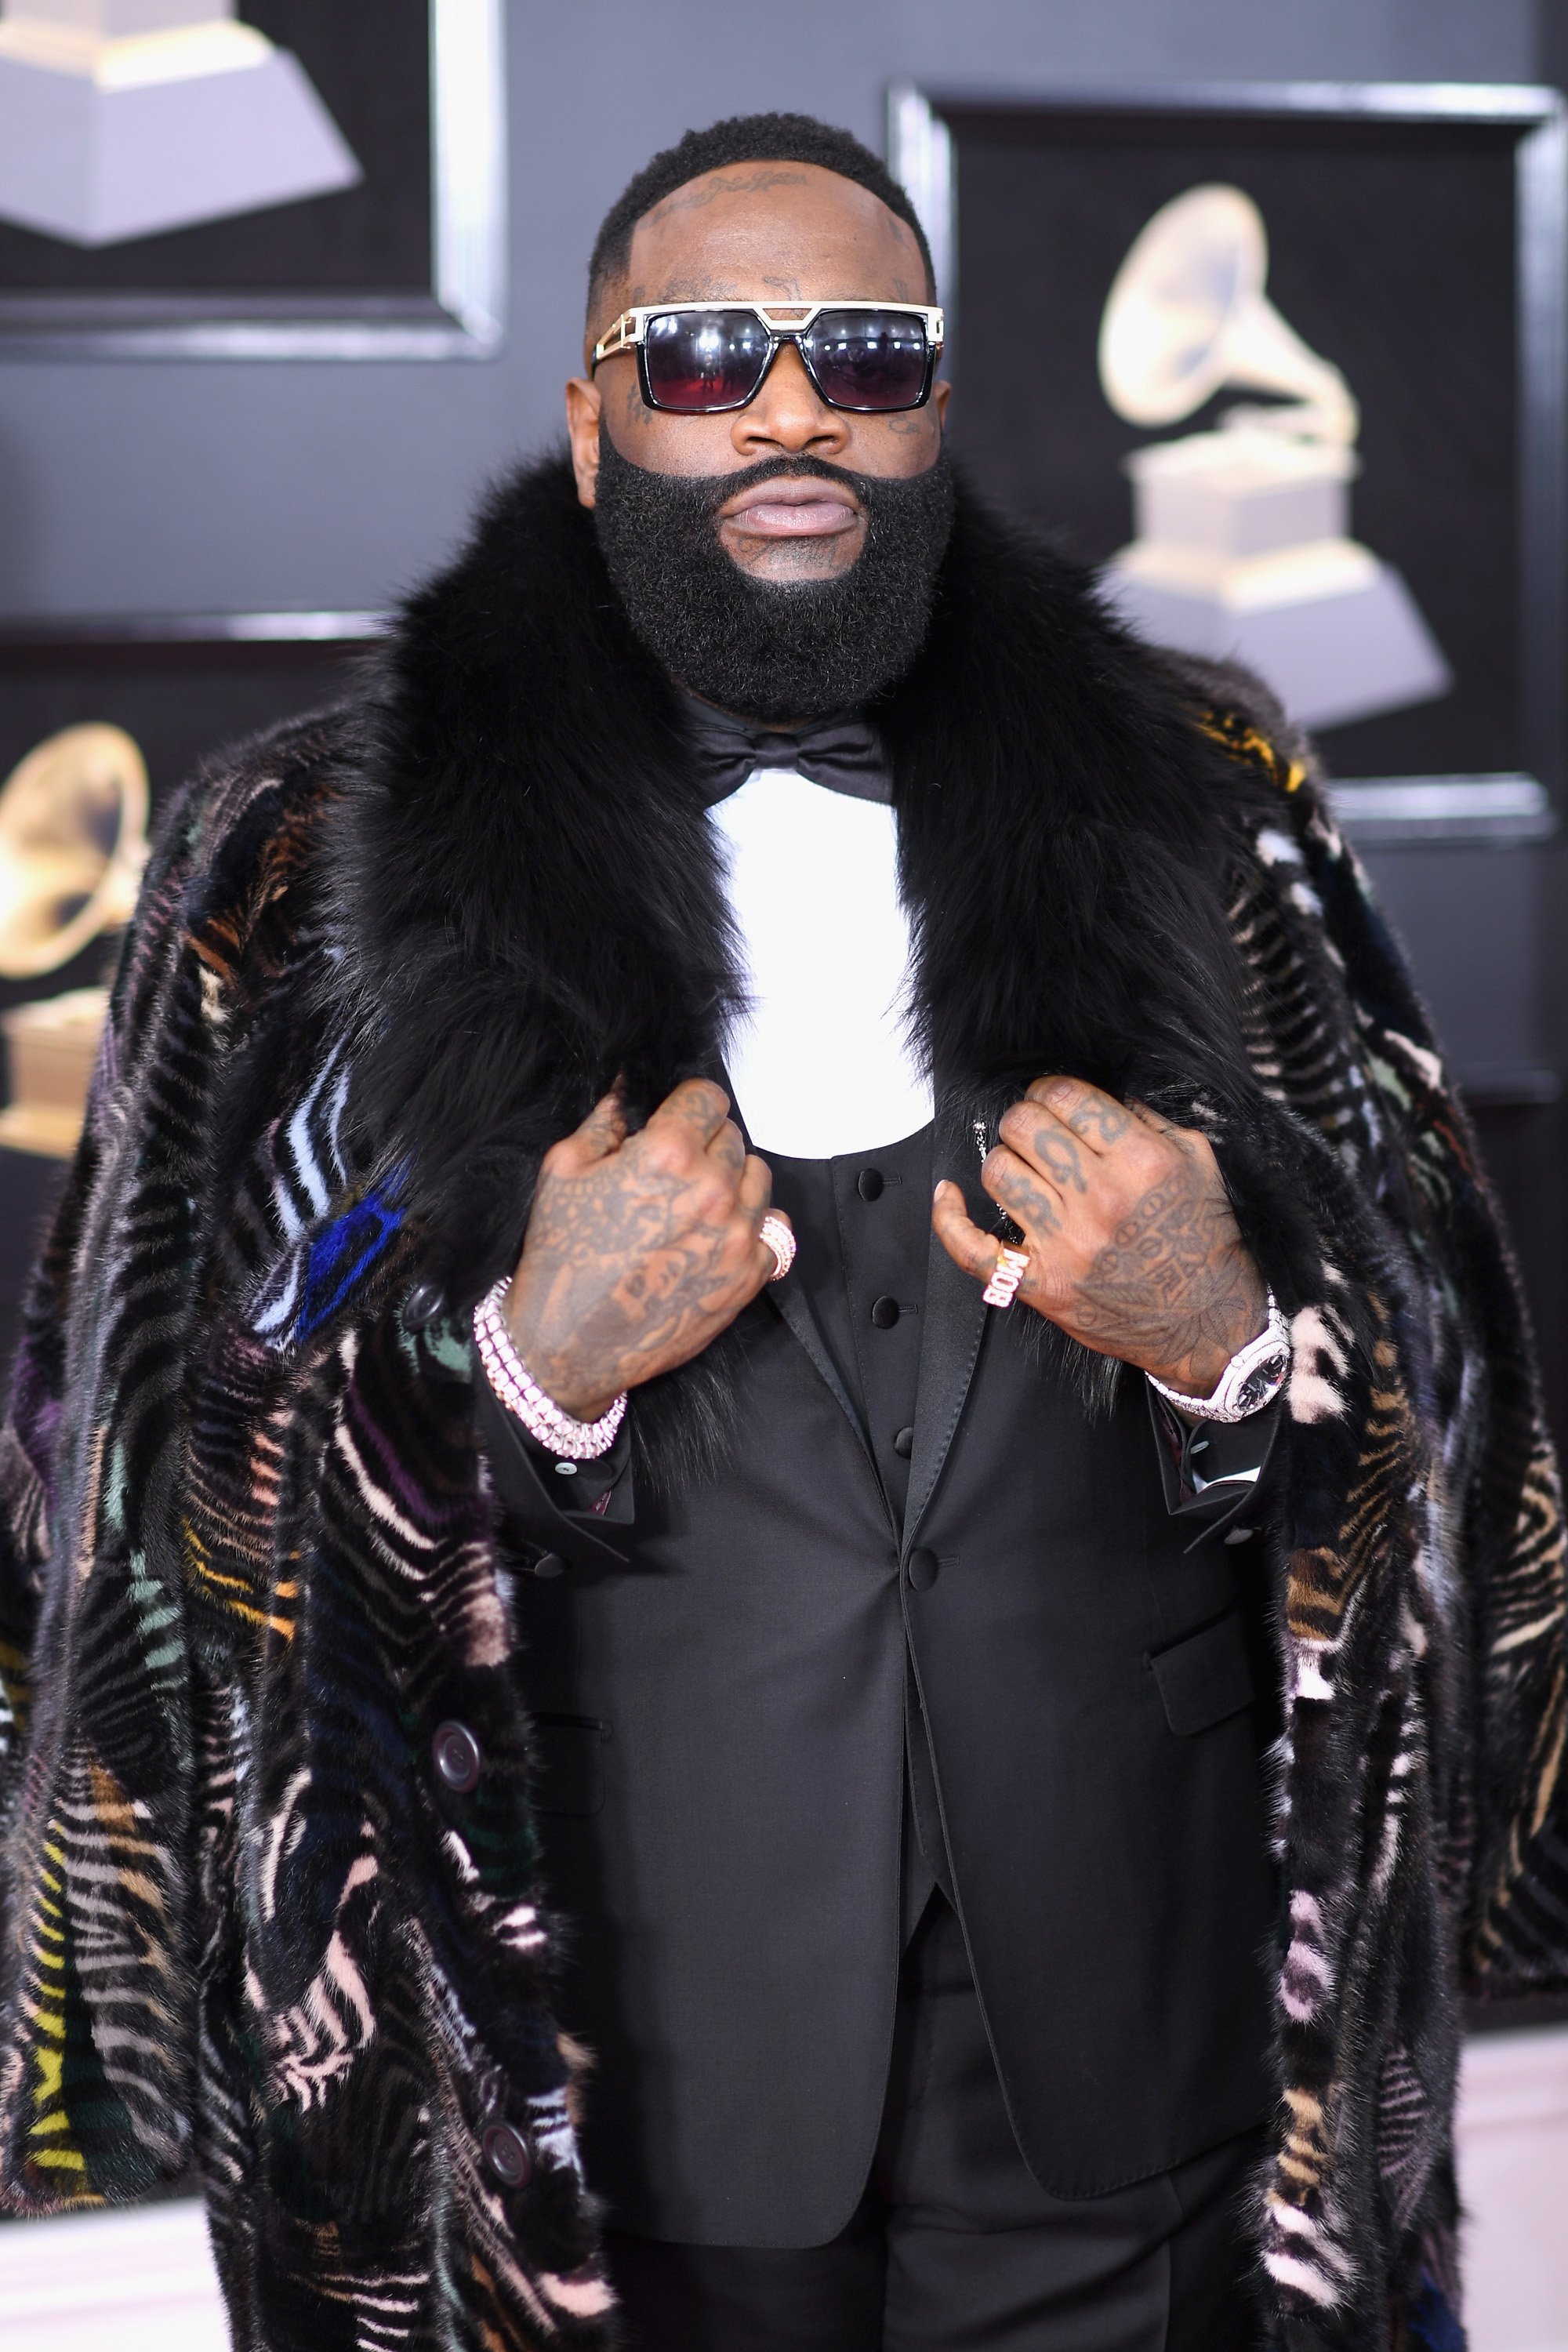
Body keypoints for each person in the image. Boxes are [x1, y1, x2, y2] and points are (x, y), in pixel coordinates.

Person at [0, 109, 1562, 2352]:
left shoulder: (1209, 796)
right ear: (592, 413)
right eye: (710, 351)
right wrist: (517, 1366)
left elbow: (1445, 1403)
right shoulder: (303, 863)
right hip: (611, 2085)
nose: (794, 403)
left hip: (1137, 2040)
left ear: (939, 403)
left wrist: (1234, 1342)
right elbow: (155, 1497)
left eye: (864, 350)